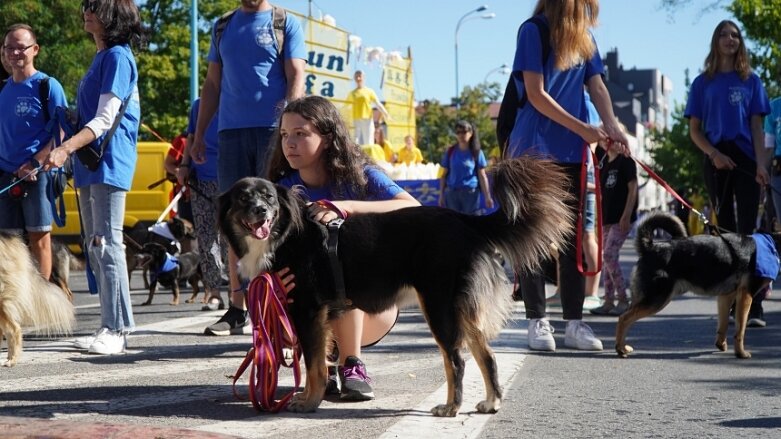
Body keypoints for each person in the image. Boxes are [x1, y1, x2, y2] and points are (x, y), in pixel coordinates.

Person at [267, 95, 420, 400]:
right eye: (285, 135)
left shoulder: (360, 175)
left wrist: (345, 207)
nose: (289, 143)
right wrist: (273, 282)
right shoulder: (282, 188)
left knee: (339, 267)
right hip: (308, 315)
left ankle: (353, 365)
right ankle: (319, 369)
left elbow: (412, 206)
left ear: (327, 137)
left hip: (371, 307)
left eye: (301, 133)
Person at [507, 0, 629, 352]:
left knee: (572, 240)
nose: (588, 11)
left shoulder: (585, 38)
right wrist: (584, 128)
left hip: (572, 152)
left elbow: (598, 87)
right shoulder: (533, 31)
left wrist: (612, 128)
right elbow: (535, 94)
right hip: (533, 149)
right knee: (533, 237)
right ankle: (537, 320)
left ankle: (574, 323)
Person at [193, 0, 307, 336]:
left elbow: (296, 74)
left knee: (276, 221)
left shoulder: (284, 22)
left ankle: (280, 308)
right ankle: (237, 309)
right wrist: (199, 135)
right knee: (235, 220)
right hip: (230, 134)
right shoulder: (223, 26)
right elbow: (212, 85)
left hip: (273, 132)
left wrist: (289, 124)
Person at [43, 0, 145, 355]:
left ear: (113, 17)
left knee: (108, 242)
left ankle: (118, 329)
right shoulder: (102, 58)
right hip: (91, 164)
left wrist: (65, 148)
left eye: (96, 8)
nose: (87, 12)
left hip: (109, 161)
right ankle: (108, 325)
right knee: (96, 245)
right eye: (87, 6)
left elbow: (104, 120)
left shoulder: (118, 57)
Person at [685, 19, 770, 326]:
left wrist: (761, 164)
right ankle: (732, 302)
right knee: (727, 233)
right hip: (716, 158)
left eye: (735, 35)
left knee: (749, 232)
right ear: (715, 41)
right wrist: (714, 154)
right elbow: (695, 131)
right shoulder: (702, 83)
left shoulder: (752, 81)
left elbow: (757, 127)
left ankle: (754, 304)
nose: (730, 39)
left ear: (740, 42)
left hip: (746, 159)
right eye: (724, 34)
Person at [0, 24, 68, 281]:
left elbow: (63, 133)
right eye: (10, 48)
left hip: (36, 176)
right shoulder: (2, 89)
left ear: (35, 49)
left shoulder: (47, 86)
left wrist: (35, 162)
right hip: (5, 176)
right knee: (8, 244)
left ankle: (40, 302)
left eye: (22, 47)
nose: (15, 53)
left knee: (39, 238)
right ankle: (16, 303)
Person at [177, 98, 226, 311]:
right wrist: (185, 165)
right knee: (206, 240)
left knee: (232, 239)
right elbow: (191, 137)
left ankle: (239, 294)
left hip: (232, 180)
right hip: (202, 179)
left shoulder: (237, 102)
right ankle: (214, 293)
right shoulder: (199, 105)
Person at [590, 133, 638, 316]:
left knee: (609, 255)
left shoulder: (626, 161)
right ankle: (609, 300)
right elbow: (601, 192)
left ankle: (623, 299)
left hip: (621, 218)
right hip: (607, 219)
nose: (611, 143)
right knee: (607, 258)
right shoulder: (604, 164)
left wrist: (626, 214)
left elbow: (632, 188)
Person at [438, 120, 494, 214]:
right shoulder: (450, 151)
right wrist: (441, 195)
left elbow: (482, 175)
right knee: (453, 224)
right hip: (452, 193)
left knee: (470, 224)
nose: (461, 135)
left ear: (471, 133)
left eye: (464, 132)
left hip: (470, 194)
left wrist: (487, 196)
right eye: (458, 132)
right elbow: (443, 175)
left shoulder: (476, 152)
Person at [348, 70, 389, 145]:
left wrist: (385, 113)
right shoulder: (352, 93)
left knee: (368, 140)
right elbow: (346, 106)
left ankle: (368, 156)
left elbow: (377, 103)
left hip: (367, 119)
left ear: (363, 77)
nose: (358, 78)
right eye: (356, 76)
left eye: (360, 76)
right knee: (355, 140)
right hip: (356, 119)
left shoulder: (369, 91)